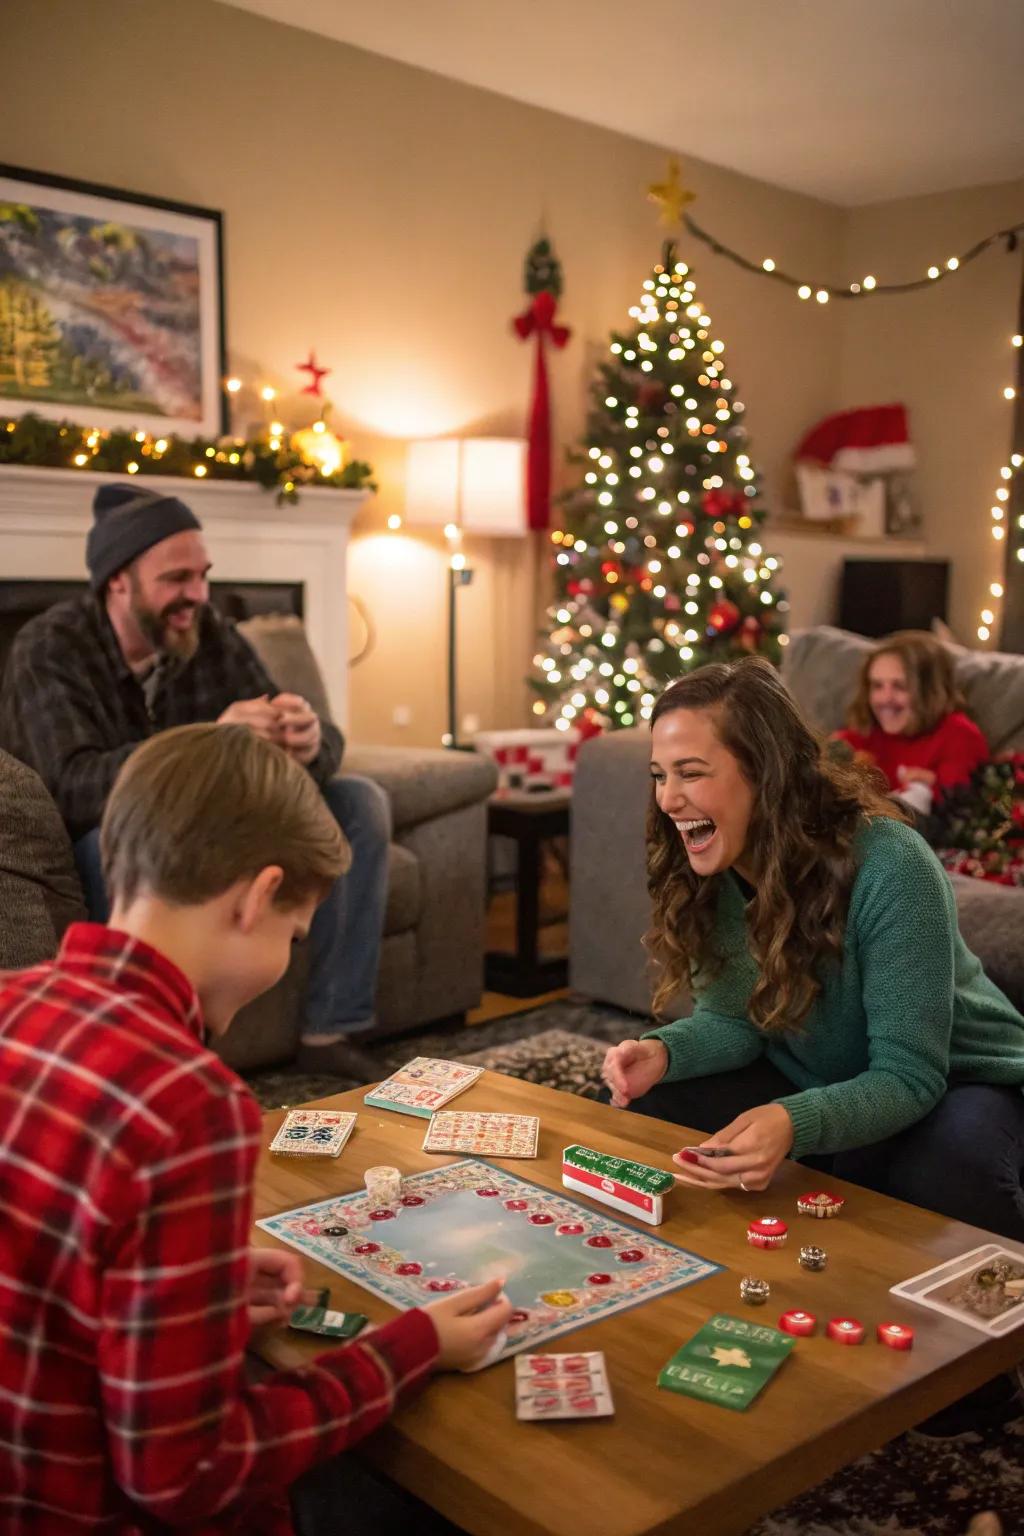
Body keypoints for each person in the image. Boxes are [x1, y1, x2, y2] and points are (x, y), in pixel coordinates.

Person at [0, 722, 511, 1534]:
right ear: (254, 895)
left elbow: (46, 1277)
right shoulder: (191, 1102)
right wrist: (409, 1349)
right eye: (293, 933)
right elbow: (185, 1478)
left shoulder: (12, 999)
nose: (287, 961)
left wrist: (199, 1285)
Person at [601, 656, 1024, 1244]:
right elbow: (733, 1020)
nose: (668, 799)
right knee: (654, 1101)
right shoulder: (710, 864)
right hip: (822, 1072)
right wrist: (662, 1054)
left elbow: (909, 1076)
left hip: (959, 1077)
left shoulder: (892, 865)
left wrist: (793, 1122)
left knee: (942, 1169)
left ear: (765, 773)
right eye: (659, 774)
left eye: (690, 773)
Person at [0, 482, 387, 1072]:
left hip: (223, 823)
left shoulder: (209, 634)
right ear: (118, 581)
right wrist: (214, 740)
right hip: (117, 837)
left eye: (202, 575)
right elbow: (66, 787)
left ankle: (331, 1031)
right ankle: (156, 1053)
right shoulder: (49, 649)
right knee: (114, 848)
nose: (198, 595)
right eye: (177, 580)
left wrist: (310, 742)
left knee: (358, 802)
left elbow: (308, 733)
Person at [833, 630, 988, 811]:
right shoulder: (868, 729)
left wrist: (934, 786)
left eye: (900, 686)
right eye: (877, 686)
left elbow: (958, 816)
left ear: (930, 691)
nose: (885, 698)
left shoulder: (960, 736)